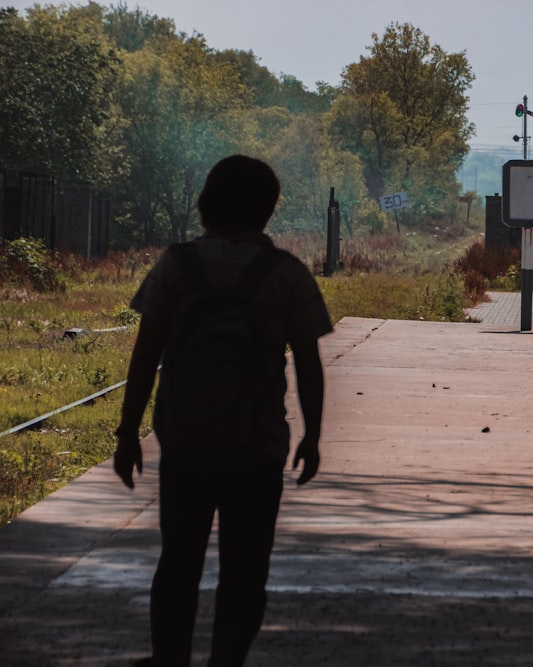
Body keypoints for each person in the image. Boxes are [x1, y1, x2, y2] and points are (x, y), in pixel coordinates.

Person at [113, 155, 332, 666]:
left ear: (207, 202)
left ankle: (170, 660)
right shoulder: (286, 275)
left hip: (185, 445)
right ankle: (226, 661)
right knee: (246, 568)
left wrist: (127, 433)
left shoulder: (176, 265)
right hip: (257, 449)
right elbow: (309, 364)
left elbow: (145, 356)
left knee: (178, 563)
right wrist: (313, 436)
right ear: (267, 211)